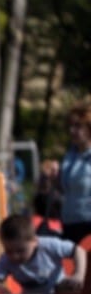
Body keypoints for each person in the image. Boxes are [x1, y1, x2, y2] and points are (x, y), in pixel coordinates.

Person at [0, 213, 86, 294]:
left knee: (70, 286)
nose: (15, 256)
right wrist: (2, 291)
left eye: (21, 251)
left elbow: (78, 250)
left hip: (58, 291)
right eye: (9, 251)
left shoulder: (48, 246)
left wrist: (79, 274)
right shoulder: (6, 259)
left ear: (35, 241)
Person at [59, 102, 91, 245]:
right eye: (70, 126)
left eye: (78, 126)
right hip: (69, 223)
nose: (72, 130)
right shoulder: (70, 155)